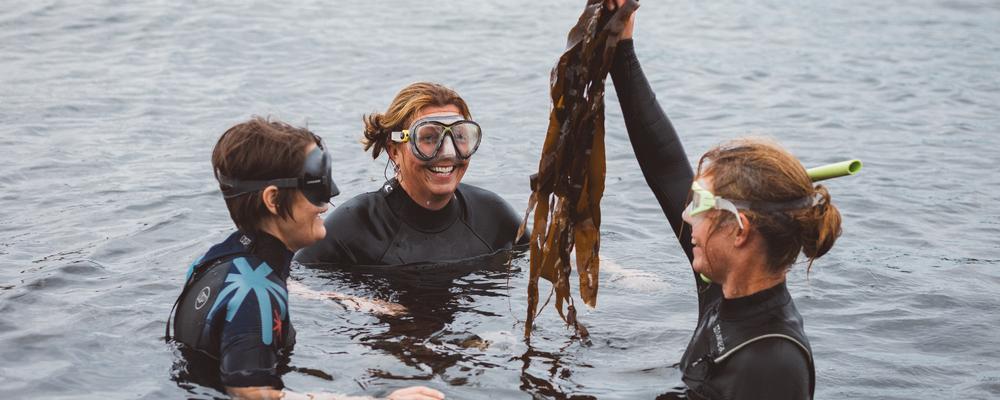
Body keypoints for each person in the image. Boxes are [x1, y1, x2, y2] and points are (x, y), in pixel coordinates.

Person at [607, 3, 841, 399]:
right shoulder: (726, 290)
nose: (685, 214)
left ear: (739, 231)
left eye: (699, 204)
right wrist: (620, 48)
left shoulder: (771, 363)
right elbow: (666, 166)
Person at [166, 117, 444, 400]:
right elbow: (251, 393)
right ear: (273, 200)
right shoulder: (256, 292)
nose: (329, 199)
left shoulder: (217, 260)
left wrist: (343, 300)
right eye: (315, 185)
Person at [295, 82, 527, 267]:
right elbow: (293, 282)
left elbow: (540, 268)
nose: (448, 153)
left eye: (459, 136)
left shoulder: (493, 217)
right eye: (429, 138)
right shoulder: (354, 228)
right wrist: (358, 303)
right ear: (394, 150)